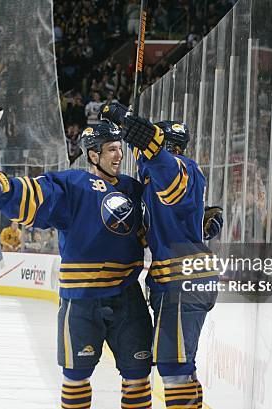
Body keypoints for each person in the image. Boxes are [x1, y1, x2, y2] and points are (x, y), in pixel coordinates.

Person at [0, 123, 153, 409]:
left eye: (120, 149)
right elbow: (37, 194)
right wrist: (0, 188)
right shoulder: (73, 186)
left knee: (138, 377)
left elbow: (164, 215)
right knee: (76, 378)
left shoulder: (133, 189)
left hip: (127, 296)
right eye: (111, 150)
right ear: (93, 155)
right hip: (81, 301)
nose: (119, 156)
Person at [101, 103, 223, 408]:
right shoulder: (153, 185)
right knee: (182, 364)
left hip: (182, 279)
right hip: (179, 278)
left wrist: (126, 120)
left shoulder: (178, 168)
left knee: (173, 368)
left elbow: (163, 166)